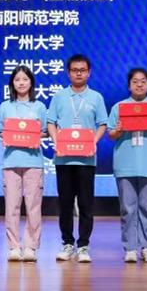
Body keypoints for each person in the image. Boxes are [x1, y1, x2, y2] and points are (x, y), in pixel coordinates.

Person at [47, 54, 108, 263]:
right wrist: (56, 141)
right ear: (68, 73)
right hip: (63, 158)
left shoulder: (96, 97)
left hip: (86, 159)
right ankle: (67, 243)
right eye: (75, 70)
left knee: (86, 203)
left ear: (89, 73)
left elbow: (102, 124)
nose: (79, 73)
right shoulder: (59, 97)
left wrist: (93, 142)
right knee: (64, 203)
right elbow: (50, 122)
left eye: (82, 70)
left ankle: (83, 245)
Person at [107, 68, 147, 263]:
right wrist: (117, 131)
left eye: (143, 81)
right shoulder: (119, 107)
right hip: (125, 164)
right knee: (127, 208)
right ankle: (130, 248)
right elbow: (111, 134)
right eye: (135, 81)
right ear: (129, 85)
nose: (139, 84)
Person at [0, 65, 48, 262]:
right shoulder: (5, 106)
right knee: (12, 206)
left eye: (25, 79)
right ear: (12, 83)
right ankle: (14, 246)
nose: (21, 83)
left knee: (33, 206)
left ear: (31, 83)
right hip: (11, 161)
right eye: (17, 79)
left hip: (33, 161)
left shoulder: (39, 106)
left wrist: (34, 135)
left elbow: (44, 131)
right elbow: (1, 131)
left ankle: (31, 247)